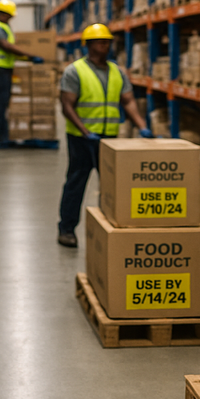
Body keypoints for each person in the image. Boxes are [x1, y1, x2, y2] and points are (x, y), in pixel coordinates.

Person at [57, 23, 153, 248]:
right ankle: (67, 229)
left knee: (111, 186)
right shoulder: (75, 70)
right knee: (76, 183)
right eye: (101, 42)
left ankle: (107, 227)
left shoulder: (117, 71)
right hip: (82, 140)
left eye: (108, 41)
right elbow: (66, 106)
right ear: (89, 45)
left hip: (110, 139)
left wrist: (142, 127)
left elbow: (127, 100)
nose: (106, 45)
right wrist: (85, 131)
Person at [0, 0, 44, 148]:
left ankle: (1, 136)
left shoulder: (2, 27)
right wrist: (30, 56)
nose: (10, 19)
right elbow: (7, 46)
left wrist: (27, 58)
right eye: (9, 15)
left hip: (1, 68)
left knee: (1, 103)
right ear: (3, 14)